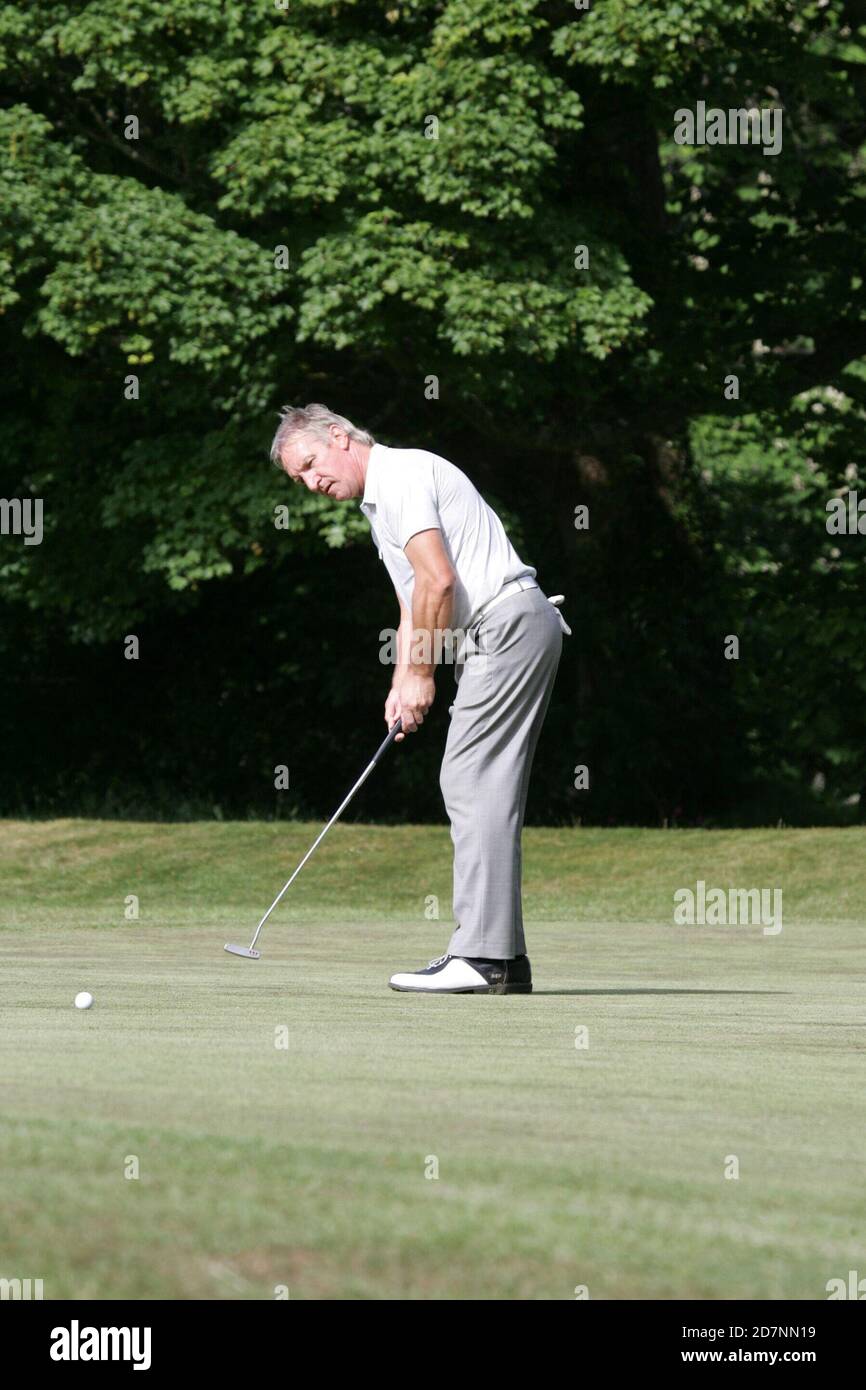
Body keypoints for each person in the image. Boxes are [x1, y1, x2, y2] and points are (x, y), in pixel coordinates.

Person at [270, 403, 570, 994]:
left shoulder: (401, 475)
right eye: (298, 480)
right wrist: (401, 680)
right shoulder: (380, 505)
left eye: (310, 465)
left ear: (338, 436)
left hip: (504, 625)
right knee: (480, 783)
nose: (311, 483)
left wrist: (422, 676)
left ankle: (483, 958)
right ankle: (500, 959)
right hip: (505, 631)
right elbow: (413, 603)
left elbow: (440, 581)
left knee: (470, 778)